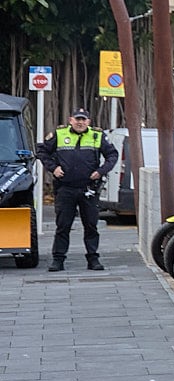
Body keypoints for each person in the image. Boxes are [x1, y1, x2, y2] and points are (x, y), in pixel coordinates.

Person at [37, 107, 118, 272]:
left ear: (88, 121)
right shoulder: (59, 134)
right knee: (63, 225)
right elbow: (41, 151)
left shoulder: (97, 135)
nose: (80, 122)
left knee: (91, 225)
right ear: (70, 120)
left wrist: (101, 171)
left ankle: (93, 259)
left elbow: (112, 155)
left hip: (89, 188)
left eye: (83, 119)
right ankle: (58, 260)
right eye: (77, 119)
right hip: (65, 188)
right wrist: (53, 168)